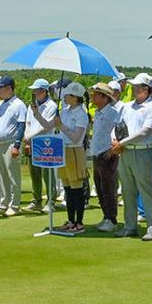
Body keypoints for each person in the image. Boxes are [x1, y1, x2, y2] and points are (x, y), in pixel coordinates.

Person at [106, 73, 152, 241]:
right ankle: (130, 226)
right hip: (124, 151)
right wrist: (114, 140)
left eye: (138, 87)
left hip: (142, 150)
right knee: (127, 190)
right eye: (134, 86)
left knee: (146, 190)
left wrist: (121, 143)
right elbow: (116, 125)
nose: (134, 89)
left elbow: (145, 131)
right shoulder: (127, 106)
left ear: (146, 89)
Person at [0, 76, 28, 215]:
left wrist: (17, 145)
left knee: (13, 175)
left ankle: (14, 205)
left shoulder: (19, 105)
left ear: (9, 88)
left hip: (11, 143)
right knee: (1, 175)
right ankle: (4, 203)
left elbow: (21, 126)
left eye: (1, 88)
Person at [55, 83, 92, 235]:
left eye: (68, 95)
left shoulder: (81, 114)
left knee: (76, 189)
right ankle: (71, 220)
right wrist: (37, 114)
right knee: (67, 189)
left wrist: (61, 126)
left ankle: (79, 222)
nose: (64, 97)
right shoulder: (64, 111)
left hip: (75, 150)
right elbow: (50, 125)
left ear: (75, 97)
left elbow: (76, 137)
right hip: (63, 150)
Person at [89, 82, 123, 233]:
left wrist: (114, 150)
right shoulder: (98, 112)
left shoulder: (113, 113)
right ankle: (106, 216)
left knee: (109, 188)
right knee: (100, 187)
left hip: (107, 154)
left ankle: (112, 219)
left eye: (96, 94)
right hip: (97, 153)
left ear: (105, 97)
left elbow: (120, 131)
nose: (93, 96)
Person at [25, 79, 60, 215]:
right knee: (34, 173)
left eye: (37, 90)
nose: (34, 93)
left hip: (46, 141)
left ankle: (51, 200)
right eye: (34, 90)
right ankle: (36, 200)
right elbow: (28, 123)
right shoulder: (32, 105)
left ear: (44, 91)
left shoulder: (52, 106)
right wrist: (27, 138)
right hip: (32, 141)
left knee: (47, 173)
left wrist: (31, 136)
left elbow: (47, 127)